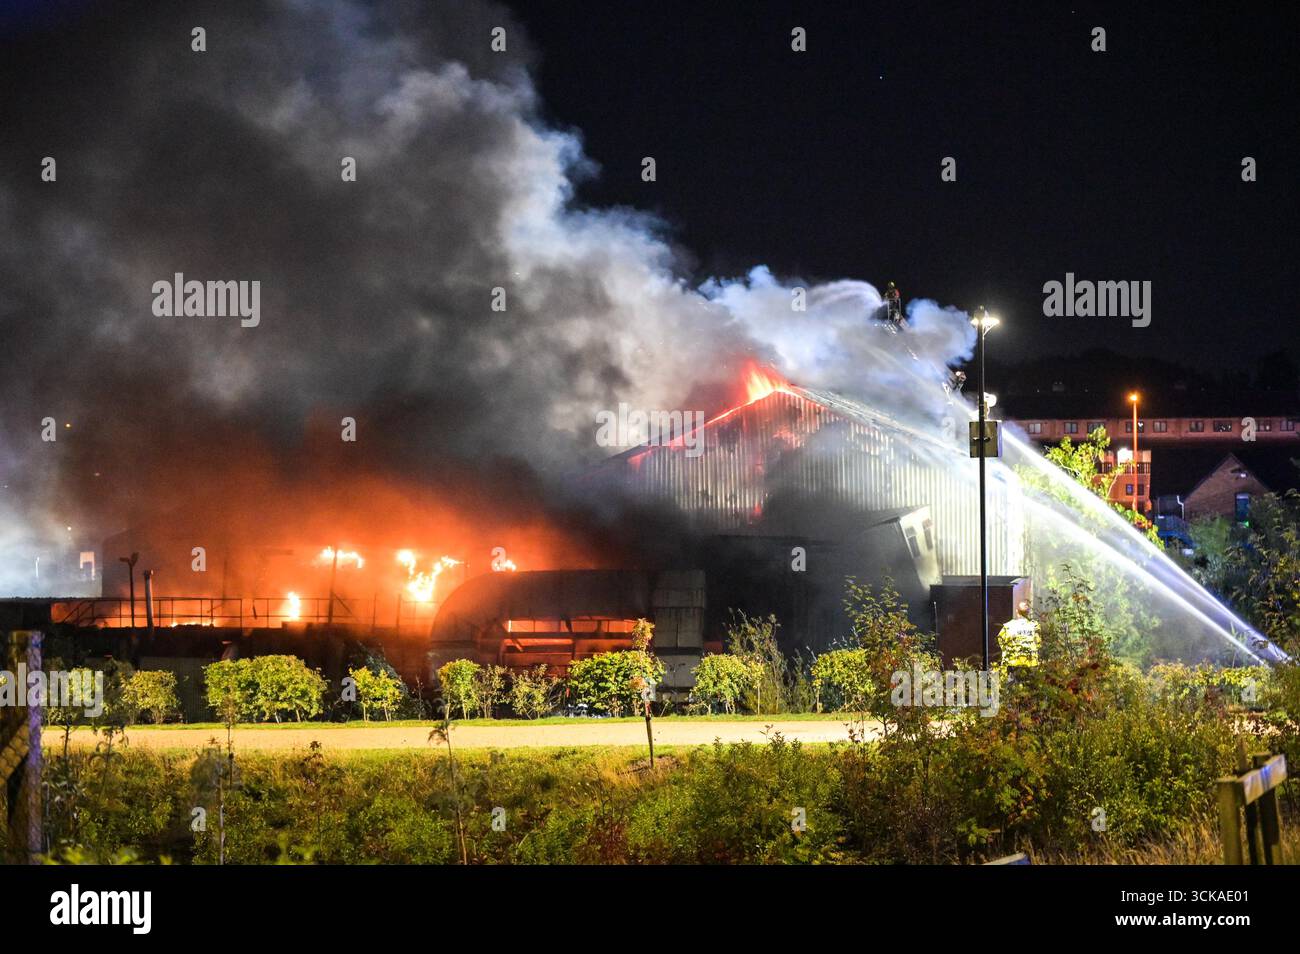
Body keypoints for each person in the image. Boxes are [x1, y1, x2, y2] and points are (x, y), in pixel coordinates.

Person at [996, 600, 1040, 670]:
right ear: (1028, 612)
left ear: (1017, 611)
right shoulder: (1034, 626)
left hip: (1012, 662)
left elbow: (1000, 640)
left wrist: (1007, 650)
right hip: (1030, 663)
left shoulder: (1008, 626)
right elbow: (1038, 643)